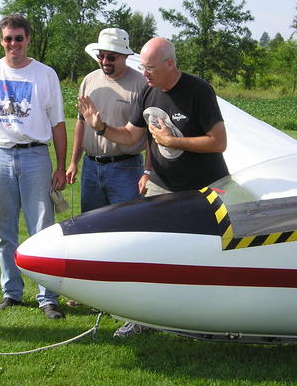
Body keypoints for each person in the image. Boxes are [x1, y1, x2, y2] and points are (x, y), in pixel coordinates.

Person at [77, 37, 229, 337]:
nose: (143, 72)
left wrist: (174, 142)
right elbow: (131, 137)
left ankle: (202, 316)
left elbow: (219, 142)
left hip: (203, 189)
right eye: (142, 67)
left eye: (149, 67)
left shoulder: (199, 91)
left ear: (170, 64)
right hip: (161, 185)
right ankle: (142, 318)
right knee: (149, 252)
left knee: (201, 255)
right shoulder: (148, 91)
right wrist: (101, 127)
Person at [0, 14, 67, 319]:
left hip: (36, 155)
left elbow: (58, 123)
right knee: (4, 228)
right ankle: (11, 291)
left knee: (43, 228)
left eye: (19, 38)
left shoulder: (45, 74)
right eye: (8, 38)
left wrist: (61, 165)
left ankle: (47, 296)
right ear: (1, 40)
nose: (14, 44)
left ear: (28, 39)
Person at [66, 28, 148, 214]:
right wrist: (73, 163)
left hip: (126, 168)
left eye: (111, 57)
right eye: (100, 56)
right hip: (91, 167)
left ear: (125, 56)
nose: (104, 61)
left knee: (128, 226)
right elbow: (81, 123)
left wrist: (148, 172)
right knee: (92, 226)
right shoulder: (89, 80)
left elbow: (150, 134)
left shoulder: (141, 84)